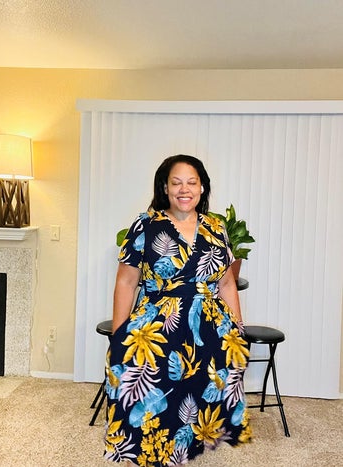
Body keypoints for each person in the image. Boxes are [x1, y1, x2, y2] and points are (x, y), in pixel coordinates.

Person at [104, 155, 251, 466]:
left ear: (202, 188)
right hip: (157, 328)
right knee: (150, 408)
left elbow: (226, 282)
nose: (184, 189)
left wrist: (238, 327)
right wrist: (118, 335)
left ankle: (184, 456)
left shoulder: (216, 227)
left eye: (192, 182)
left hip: (208, 331)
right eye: (176, 182)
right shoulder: (145, 226)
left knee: (194, 413)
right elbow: (126, 283)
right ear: (165, 188)